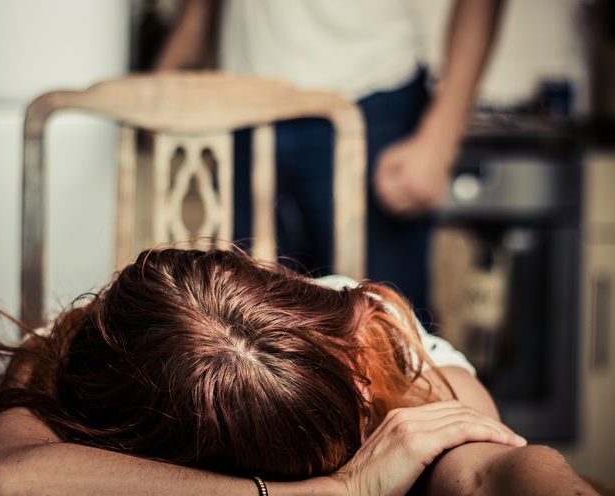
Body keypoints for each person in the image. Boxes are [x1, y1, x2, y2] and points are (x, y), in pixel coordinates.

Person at [0, 248, 597, 495]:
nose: (367, 384)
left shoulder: (377, 331)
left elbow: (488, 469)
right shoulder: (78, 363)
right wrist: (336, 493)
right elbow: (4, 480)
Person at [153, 0, 505, 320]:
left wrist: (440, 138)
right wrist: (154, 90)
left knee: (385, 328)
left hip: (370, 105)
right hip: (245, 118)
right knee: (243, 323)